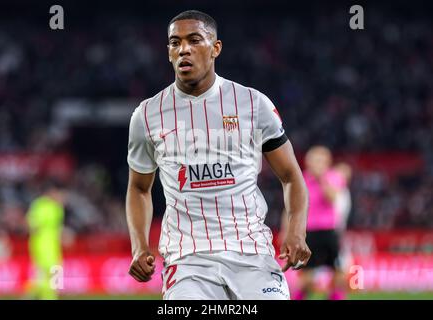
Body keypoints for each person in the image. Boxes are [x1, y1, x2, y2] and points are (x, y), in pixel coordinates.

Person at [125, 10, 310, 300]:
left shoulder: (253, 104)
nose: (183, 49)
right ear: (169, 52)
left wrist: (297, 231)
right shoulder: (147, 115)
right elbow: (138, 188)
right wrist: (139, 246)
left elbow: (291, 176)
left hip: (252, 254)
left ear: (215, 48)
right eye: (175, 43)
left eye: (194, 40)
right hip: (187, 260)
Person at [295, 146, 346, 300]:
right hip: (309, 232)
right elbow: (294, 207)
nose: (317, 164)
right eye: (314, 160)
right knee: (306, 275)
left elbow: (332, 198)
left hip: (329, 230)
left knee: (337, 271)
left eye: (320, 160)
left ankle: (335, 297)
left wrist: (321, 179)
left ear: (327, 162)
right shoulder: (302, 179)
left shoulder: (335, 177)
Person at [25, 179, 66, 300]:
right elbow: (32, 224)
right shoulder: (39, 205)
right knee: (46, 270)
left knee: (55, 268)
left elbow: (58, 226)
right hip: (41, 244)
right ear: (50, 192)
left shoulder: (57, 207)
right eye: (56, 192)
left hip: (53, 244)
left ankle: (46, 294)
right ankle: (45, 295)